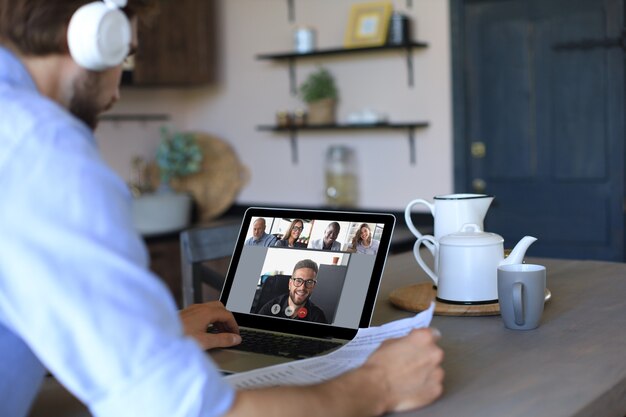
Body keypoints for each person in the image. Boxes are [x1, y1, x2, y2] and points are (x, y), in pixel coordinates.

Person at [0, 2, 444, 416]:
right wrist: (378, 385)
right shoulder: (41, 148)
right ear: (90, 36)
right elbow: (177, 409)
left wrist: (154, 336)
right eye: (126, 54)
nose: (117, 86)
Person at [257, 259, 328, 324]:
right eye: (298, 280)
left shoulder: (317, 317)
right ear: (290, 284)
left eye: (309, 282)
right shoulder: (269, 308)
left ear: (313, 286)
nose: (302, 287)